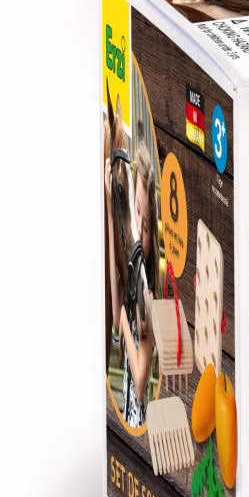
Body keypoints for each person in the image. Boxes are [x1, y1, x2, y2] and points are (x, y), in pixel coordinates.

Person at [105, 142, 157, 426]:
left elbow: (139, 384)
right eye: (136, 212)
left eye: (145, 227)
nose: (138, 229)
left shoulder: (148, 295)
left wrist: (126, 318)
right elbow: (115, 319)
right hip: (125, 412)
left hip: (137, 418)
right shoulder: (132, 276)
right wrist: (109, 202)